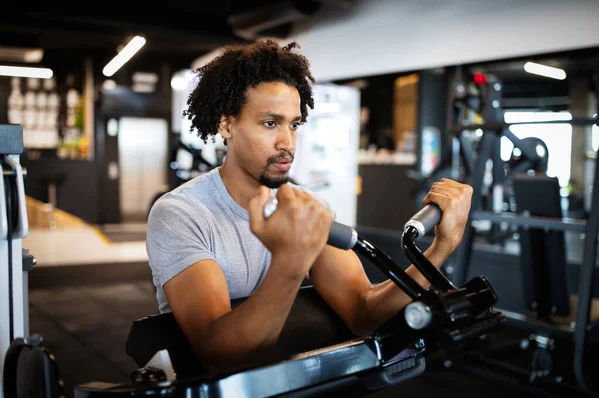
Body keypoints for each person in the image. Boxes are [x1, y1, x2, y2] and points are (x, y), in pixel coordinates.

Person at [146, 40, 472, 375]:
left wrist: (440, 247)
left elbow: (363, 313)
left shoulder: (310, 208)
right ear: (227, 125)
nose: (287, 143)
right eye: (270, 123)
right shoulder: (182, 213)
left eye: (294, 124)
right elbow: (222, 358)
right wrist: (291, 260)